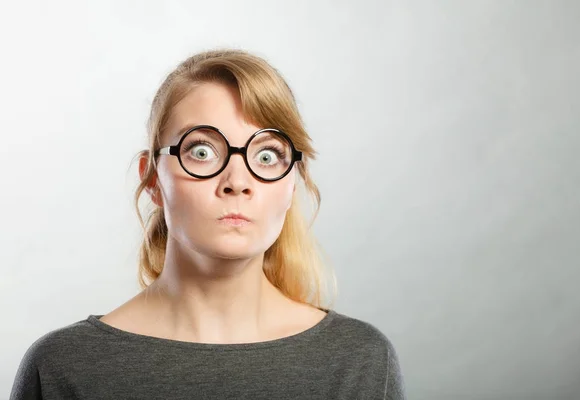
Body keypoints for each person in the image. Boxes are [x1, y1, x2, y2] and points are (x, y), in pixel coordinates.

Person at [9, 49, 405, 399]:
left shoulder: (360, 360)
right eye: (201, 151)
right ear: (152, 180)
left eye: (267, 156)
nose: (237, 182)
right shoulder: (63, 367)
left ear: (292, 184)